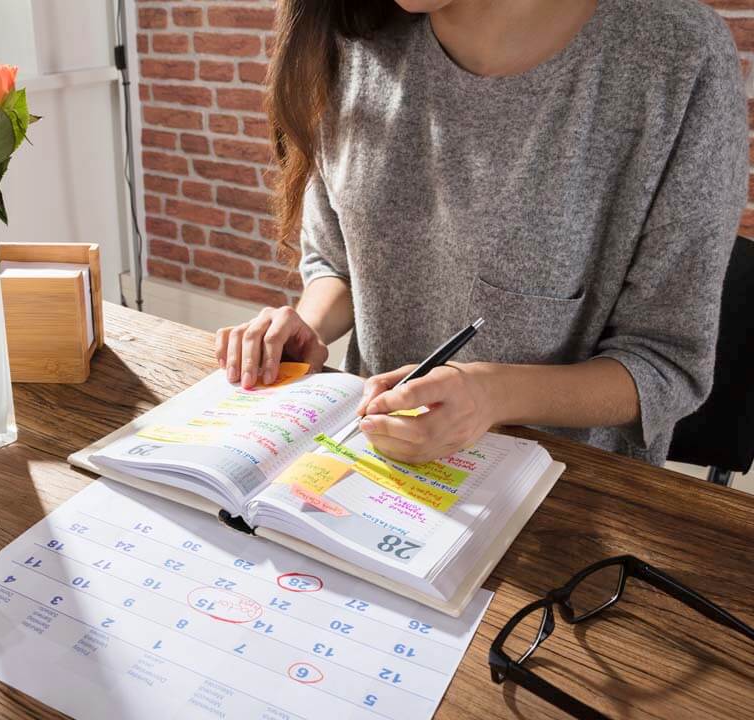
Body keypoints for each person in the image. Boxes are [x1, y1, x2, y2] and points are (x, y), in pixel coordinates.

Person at [213, 0, 748, 466]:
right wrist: (306, 328)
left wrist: (490, 395)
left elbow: (666, 362)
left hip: (563, 495)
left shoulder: (675, 57)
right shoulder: (354, 41)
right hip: (370, 461)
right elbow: (339, 264)